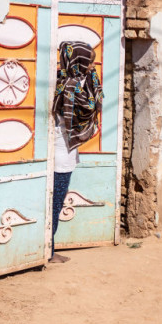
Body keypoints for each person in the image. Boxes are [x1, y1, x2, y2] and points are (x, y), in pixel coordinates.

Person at [49, 41, 103, 264]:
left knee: (55, 201)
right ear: (79, 60)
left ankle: (47, 249)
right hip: (60, 156)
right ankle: (48, 251)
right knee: (54, 203)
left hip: (64, 153)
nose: (92, 66)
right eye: (89, 61)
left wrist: (90, 77)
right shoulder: (69, 87)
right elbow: (90, 108)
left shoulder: (67, 81)